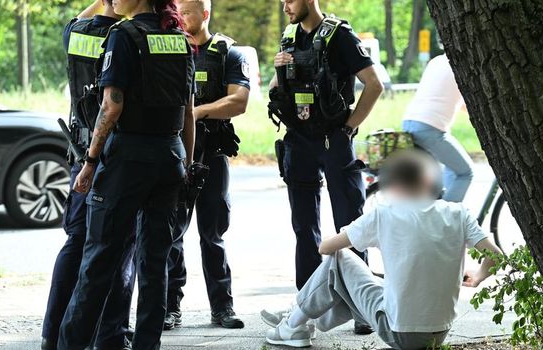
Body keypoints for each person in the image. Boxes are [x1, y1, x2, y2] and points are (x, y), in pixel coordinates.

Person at [261, 150, 503, 349]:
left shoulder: (384, 215)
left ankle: (293, 324)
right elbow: (496, 257)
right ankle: (304, 316)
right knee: (369, 283)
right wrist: (479, 275)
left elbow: (326, 248)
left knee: (339, 260)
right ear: (428, 181)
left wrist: (350, 230)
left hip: (399, 333)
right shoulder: (458, 214)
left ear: (392, 186)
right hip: (440, 332)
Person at [57, 0, 195, 348]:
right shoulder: (178, 38)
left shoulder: (123, 35)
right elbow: (188, 111)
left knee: (98, 259)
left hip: (127, 159)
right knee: (154, 263)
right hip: (170, 156)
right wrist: (187, 165)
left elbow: (111, 106)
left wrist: (90, 161)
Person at [267, 0, 384, 335]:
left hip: (334, 140)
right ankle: (304, 307)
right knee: (304, 227)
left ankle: (363, 308)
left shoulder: (340, 35)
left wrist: (349, 127)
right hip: (298, 141)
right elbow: (277, 92)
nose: (285, 6)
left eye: (290, 0)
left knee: (350, 224)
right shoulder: (289, 39)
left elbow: (373, 84)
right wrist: (279, 70)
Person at [41, 1, 136, 349]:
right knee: (120, 245)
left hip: (78, 151)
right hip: (110, 153)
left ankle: (52, 333)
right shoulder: (125, 36)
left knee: (77, 240)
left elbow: (82, 15)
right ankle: (112, 336)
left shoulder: (74, 33)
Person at [164, 0, 251, 331]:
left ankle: (222, 308)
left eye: (188, 12)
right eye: (179, 12)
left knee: (212, 234)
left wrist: (196, 113)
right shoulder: (170, 48)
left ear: (206, 13)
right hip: (175, 154)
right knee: (171, 233)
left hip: (211, 153)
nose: (183, 18)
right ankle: (170, 307)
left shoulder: (228, 53)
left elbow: (238, 101)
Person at [401, 54, 474, 202]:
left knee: (450, 169)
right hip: (429, 127)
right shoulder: (461, 64)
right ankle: (445, 219)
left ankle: (438, 205)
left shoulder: (436, 61)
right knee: (465, 173)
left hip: (410, 121)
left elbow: (440, 94)